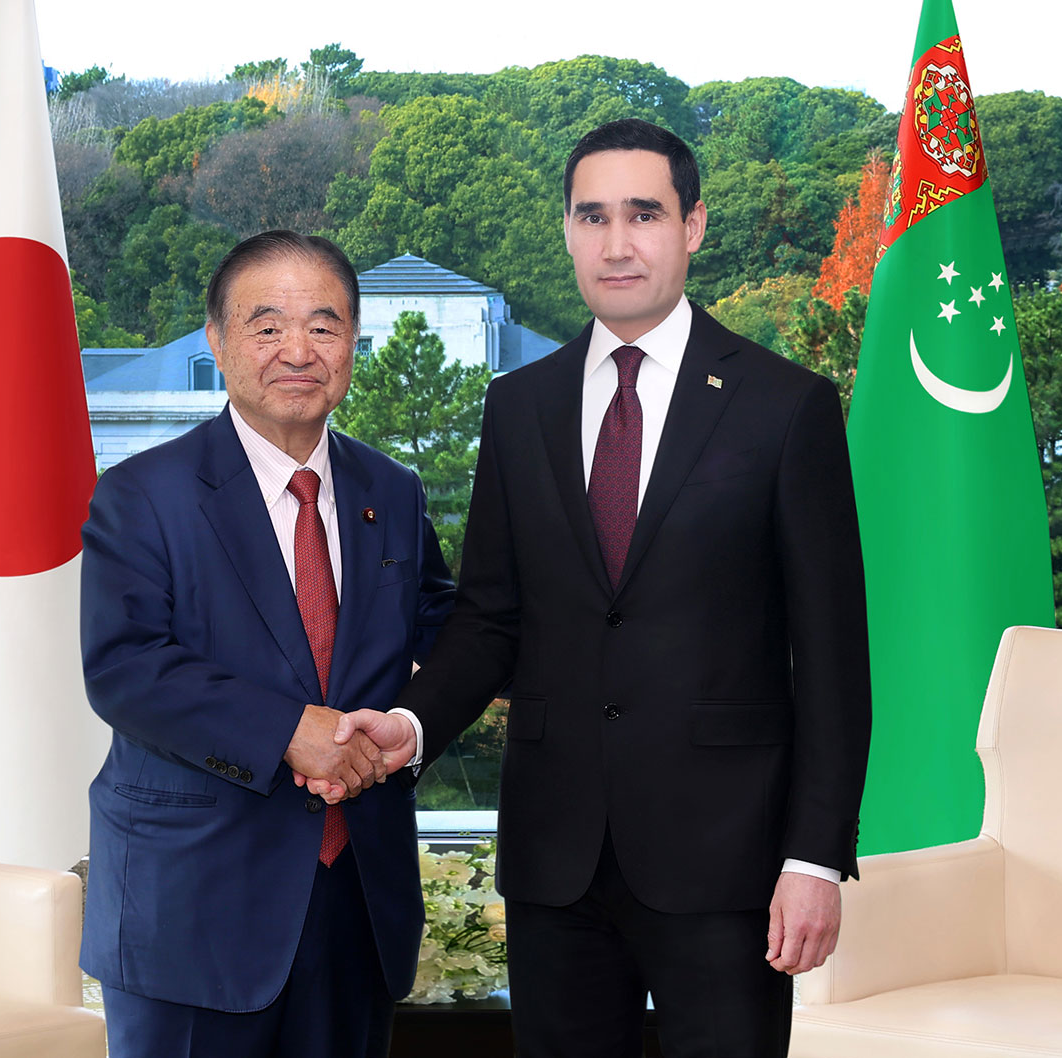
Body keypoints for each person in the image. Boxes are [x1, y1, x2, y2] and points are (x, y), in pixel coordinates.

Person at [329, 119, 871, 1057]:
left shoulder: (787, 407)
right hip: (556, 861)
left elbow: (831, 659)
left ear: (693, 226)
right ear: (568, 231)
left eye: (644, 214)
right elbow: (491, 617)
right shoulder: (519, 404)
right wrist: (412, 724)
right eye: (593, 217)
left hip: (728, 863)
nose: (617, 243)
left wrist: (815, 857)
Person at [78, 230, 454, 1058]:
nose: (298, 351)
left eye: (324, 325)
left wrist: (414, 722)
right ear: (217, 341)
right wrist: (288, 729)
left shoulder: (392, 490)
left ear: (353, 342)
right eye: (268, 325)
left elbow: (449, 631)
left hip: (357, 897)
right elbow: (126, 668)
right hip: (194, 908)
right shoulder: (142, 494)